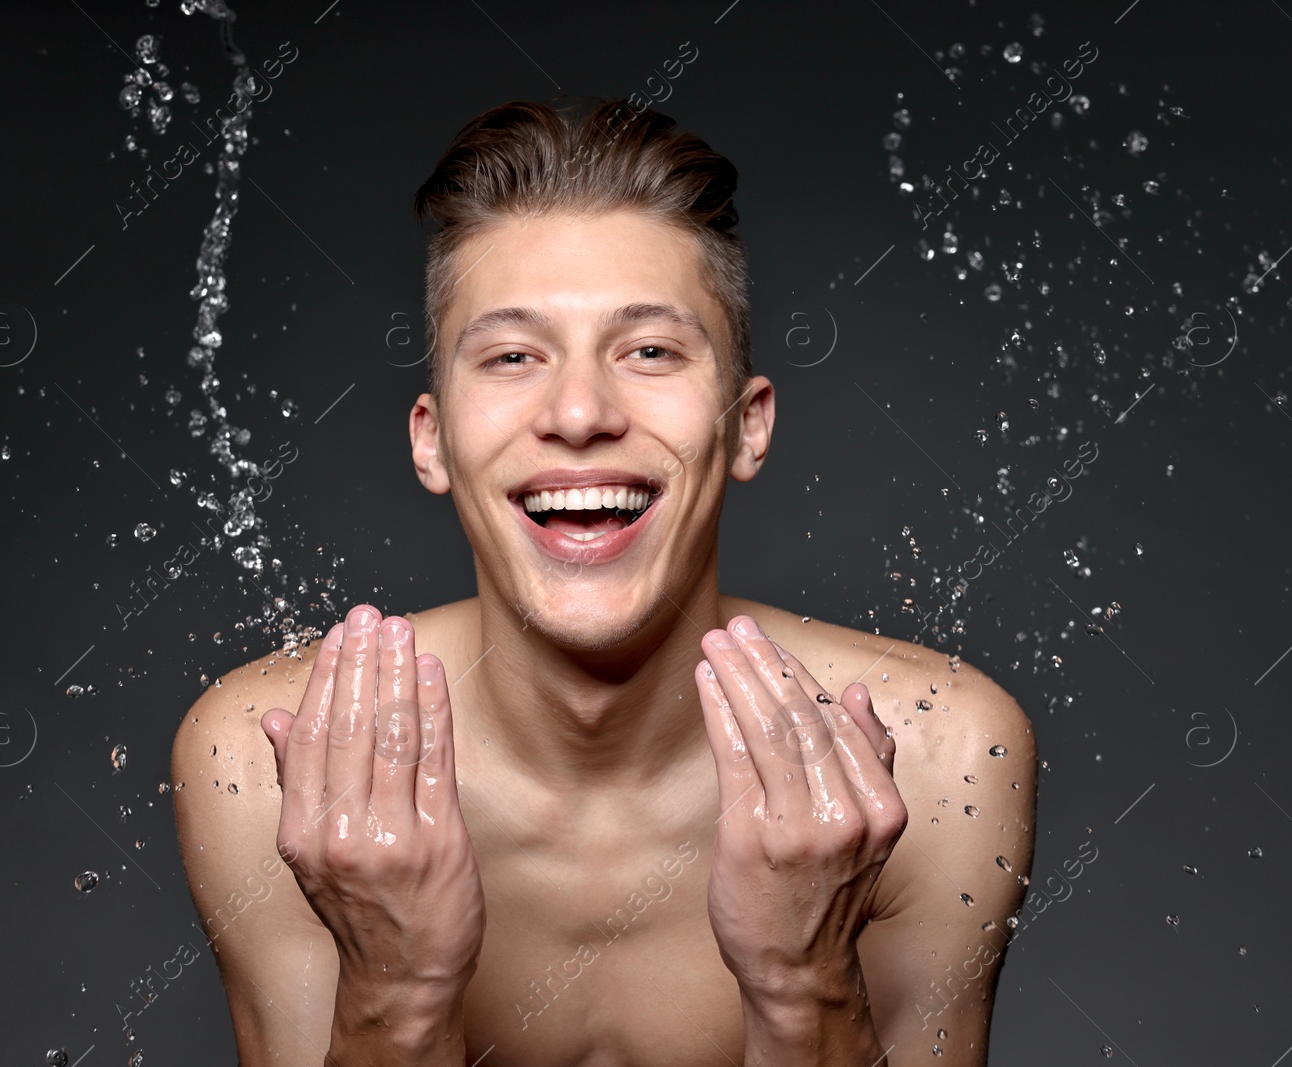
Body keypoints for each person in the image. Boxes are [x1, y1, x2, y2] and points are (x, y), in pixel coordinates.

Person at [171, 97, 1036, 1067]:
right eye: (511, 356)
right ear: (432, 438)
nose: (579, 411)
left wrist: (806, 981)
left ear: (745, 424)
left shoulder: (935, 754)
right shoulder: (271, 761)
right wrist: (395, 988)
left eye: (649, 350)